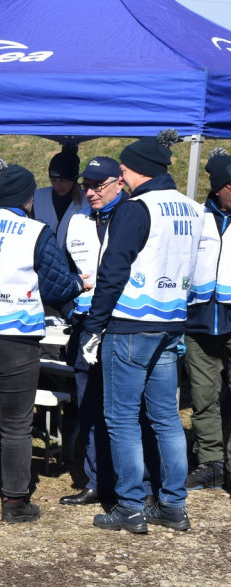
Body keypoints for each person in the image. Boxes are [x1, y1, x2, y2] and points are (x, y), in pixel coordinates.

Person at [82, 130, 202, 533]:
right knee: (166, 417)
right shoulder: (191, 207)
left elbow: (113, 271)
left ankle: (130, 505)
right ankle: (173, 503)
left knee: (121, 418)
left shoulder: (137, 208)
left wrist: (94, 326)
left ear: (137, 171)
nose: (122, 174)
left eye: (124, 169)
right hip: (171, 321)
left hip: (131, 321)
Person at [0, 160, 84, 525]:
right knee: (16, 424)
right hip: (18, 338)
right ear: (27, 198)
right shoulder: (34, 231)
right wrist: (77, 284)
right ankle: (14, 502)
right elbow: (58, 286)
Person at [60, 156, 127, 506]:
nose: (90, 192)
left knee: (125, 408)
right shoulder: (77, 219)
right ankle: (95, 480)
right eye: (86, 185)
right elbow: (63, 267)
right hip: (86, 325)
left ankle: (132, 484)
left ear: (120, 182)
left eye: (98, 186)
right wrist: (71, 306)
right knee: (88, 405)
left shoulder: (132, 216)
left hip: (123, 323)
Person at [182, 148, 231, 490]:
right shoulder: (196, 219)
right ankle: (211, 463)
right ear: (218, 188)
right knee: (203, 397)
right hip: (198, 320)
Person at [33, 143, 85, 246]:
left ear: (74, 179)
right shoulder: (38, 197)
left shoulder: (87, 201)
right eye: (53, 180)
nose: (57, 185)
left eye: (62, 180)